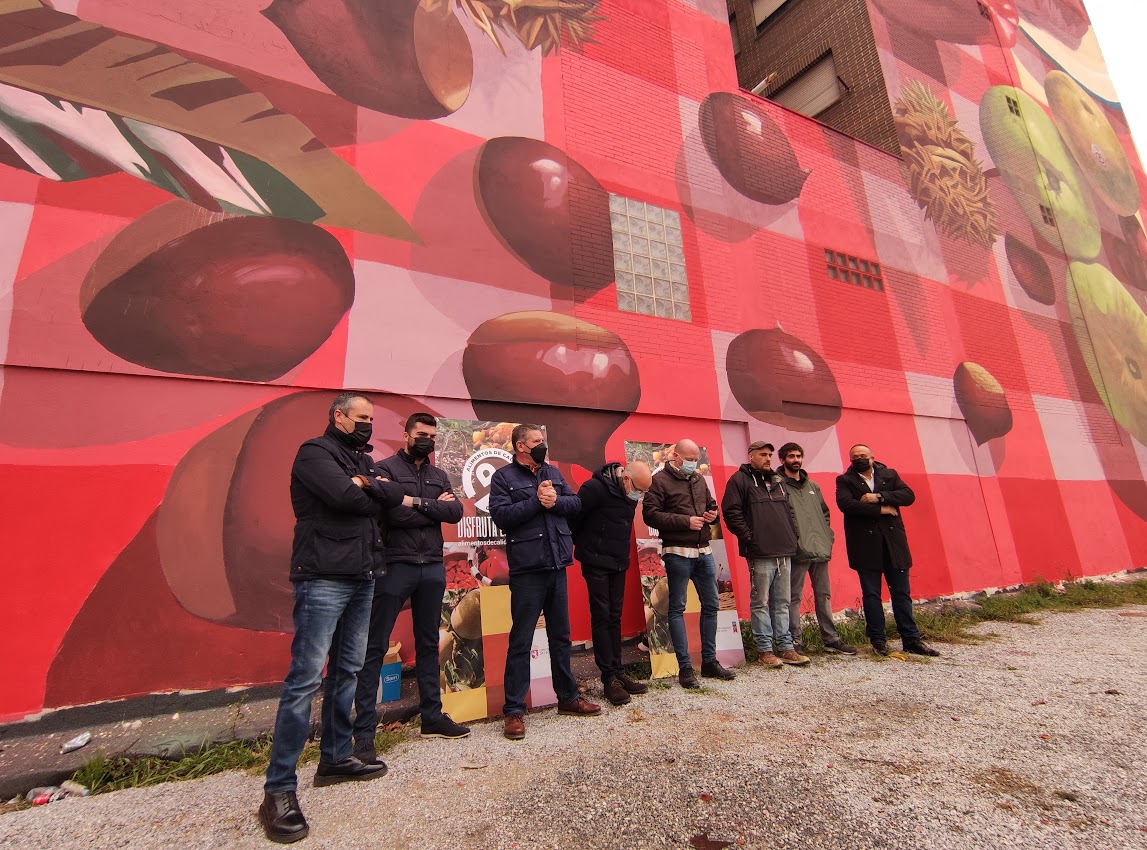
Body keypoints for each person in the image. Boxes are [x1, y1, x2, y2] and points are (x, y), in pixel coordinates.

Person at [260, 392, 419, 845]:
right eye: (361, 417)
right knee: (304, 680)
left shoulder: (362, 461)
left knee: (346, 670)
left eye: (372, 418)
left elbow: (386, 499)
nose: (368, 424)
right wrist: (371, 491)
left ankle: (335, 758)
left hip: (365, 574)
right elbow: (346, 498)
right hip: (324, 577)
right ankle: (278, 790)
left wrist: (372, 488)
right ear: (338, 417)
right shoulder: (314, 452)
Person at [352, 413, 469, 760]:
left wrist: (414, 503)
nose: (426, 440)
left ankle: (432, 716)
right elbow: (390, 514)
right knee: (375, 645)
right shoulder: (384, 468)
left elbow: (455, 513)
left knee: (430, 644)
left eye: (431, 436)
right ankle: (363, 734)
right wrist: (434, 508)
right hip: (395, 565)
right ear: (406, 435)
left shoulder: (438, 474)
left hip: (432, 567)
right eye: (420, 434)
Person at [489, 425, 601, 740]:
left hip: (557, 565)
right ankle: (513, 711)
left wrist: (555, 502)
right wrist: (537, 502)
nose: (543, 445)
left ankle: (567, 698)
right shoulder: (503, 478)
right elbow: (501, 516)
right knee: (521, 640)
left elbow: (575, 505)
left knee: (561, 637)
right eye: (538, 441)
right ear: (520, 445)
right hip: (527, 569)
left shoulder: (552, 471)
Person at [642, 439, 736, 688]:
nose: (694, 463)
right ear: (676, 456)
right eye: (691, 458)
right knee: (677, 609)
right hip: (677, 553)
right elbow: (650, 514)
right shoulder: (658, 481)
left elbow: (712, 505)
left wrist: (712, 514)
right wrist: (686, 521)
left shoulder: (698, 480)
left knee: (712, 605)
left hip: (704, 551)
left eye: (697, 458)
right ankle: (685, 668)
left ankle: (709, 662)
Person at [835, 444, 939, 657]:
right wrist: (881, 509)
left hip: (894, 545)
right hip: (865, 547)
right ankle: (878, 641)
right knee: (872, 595)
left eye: (863, 456)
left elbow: (908, 496)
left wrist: (878, 497)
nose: (859, 459)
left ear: (872, 457)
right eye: (855, 457)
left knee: (901, 594)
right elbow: (846, 505)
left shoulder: (889, 475)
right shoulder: (844, 480)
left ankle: (911, 640)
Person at [571, 460, 654, 706]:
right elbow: (574, 521)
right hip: (595, 562)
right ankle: (608, 678)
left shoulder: (629, 493)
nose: (639, 495)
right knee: (602, 615)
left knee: (614, 617)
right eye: (639, 489)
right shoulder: (594, 489)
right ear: (626, 479)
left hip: (618, 562)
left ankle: (618, 672)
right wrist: (589, 547)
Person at [721, 441, 809, 669]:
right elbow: (731, 513)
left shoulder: (779, 482)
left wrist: (793, 536)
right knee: (760, 602)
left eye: (770, 455)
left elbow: (789, 512)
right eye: (763, 454)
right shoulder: (739, 480)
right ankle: (765, 650)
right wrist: (750, 537)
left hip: (784, 550)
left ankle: (786, 647)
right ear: (751, 456)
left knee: (782, 602)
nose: (768, 458)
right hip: (760, 552)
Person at [777, 442, 856, 656]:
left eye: (799, 456)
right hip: (797, 551)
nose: (796, 460)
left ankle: (831, 639)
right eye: (791, 456)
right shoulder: (778, 485)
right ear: (782, 460)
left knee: (824, 595)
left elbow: (825, 514)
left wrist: (827, 537)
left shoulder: (813, 486)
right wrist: (794, 540)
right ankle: (795, 641)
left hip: (820, 549)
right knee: (793, 597)